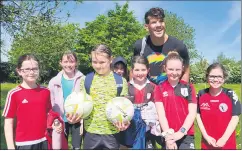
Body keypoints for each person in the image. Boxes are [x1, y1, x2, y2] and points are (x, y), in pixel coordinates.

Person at [2, 54, 61, 149]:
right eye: (27, 69)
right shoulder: (13, 94)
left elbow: (49, 114)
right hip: (24, 144)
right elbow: (8, 122)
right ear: (19, 71)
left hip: (44, 140)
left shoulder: (45, 91)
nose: (31, 72)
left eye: (35, 69)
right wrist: (10, 147)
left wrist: (56, 122)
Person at [80, 44, 129, 149]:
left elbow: (125, 108)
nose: (98, 66)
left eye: (102, 62)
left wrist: (125, 122)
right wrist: (76, 118)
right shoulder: (85, 80)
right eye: (94, 62)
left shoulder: (121, 81)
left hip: (112, 133)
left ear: (111, 59)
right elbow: (81, 106)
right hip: (90, 132)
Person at [132, 7, 190, 84]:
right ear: (146, 27)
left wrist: (182, 91)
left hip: (171, 93)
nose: (158, 25)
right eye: (154, 22)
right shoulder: (140, 46)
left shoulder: (179, 46)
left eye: (161, 21)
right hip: (148, 93)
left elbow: (186, 71)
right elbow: (133, 70)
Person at [154, 51, 197, 149]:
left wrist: (181, 132)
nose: (174, 73)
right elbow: (161, 114)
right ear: (165, 68)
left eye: (177, 69)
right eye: (171, 69)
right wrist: (168, 136)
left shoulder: (189, 87)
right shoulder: (159, 88)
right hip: (167, 134)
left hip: (186, 134)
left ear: (182, 69)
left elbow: (192, 113)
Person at [196, 63, 241, 149]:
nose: (215, 79)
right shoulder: (200, 94)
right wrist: (206, 136)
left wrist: (224, 139)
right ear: (207, 77)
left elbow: (235, 117)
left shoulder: (231, 94)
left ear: (224, 78)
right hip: (207, 144)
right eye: (212, 76)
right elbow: (197, 116)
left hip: (227, 144)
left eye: (219, 76)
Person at [121, 56, 162, 149]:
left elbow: (159, 109)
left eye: (143, 70)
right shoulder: (126, 87)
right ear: (132, 70)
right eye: (137, 70)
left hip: (148, 132)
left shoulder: (153, 87)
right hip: (129, 130)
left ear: (148, 70)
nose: (140, 73)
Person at [48, 51, 84, 149]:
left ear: (76, 63)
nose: (68, 65)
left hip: (77, 119)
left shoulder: (83, 80)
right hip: (60, 120)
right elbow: (50, 103)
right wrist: (54, 119)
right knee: (60, 147)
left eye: (71, 62)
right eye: (66, 61)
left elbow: (86, 101)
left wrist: (82, 119)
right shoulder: (54, 82)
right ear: (61, 63)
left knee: (76, 147)